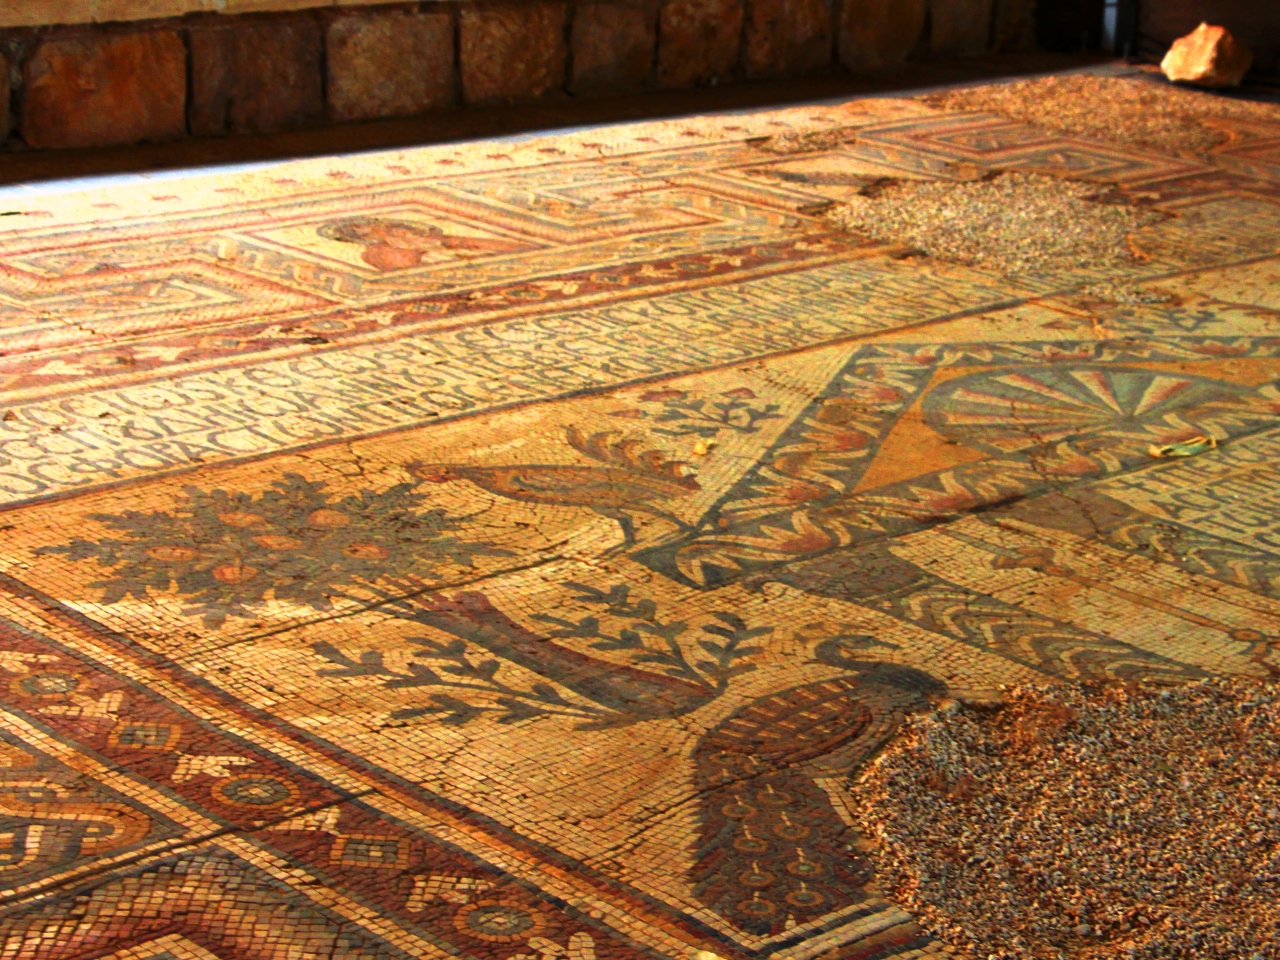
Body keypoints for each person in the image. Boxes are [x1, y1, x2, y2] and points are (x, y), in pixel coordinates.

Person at [318, 217, 534, 271]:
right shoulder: (376, 252)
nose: (403, 233)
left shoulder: (439, 240)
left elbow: (509, 247)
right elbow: (410, 263)